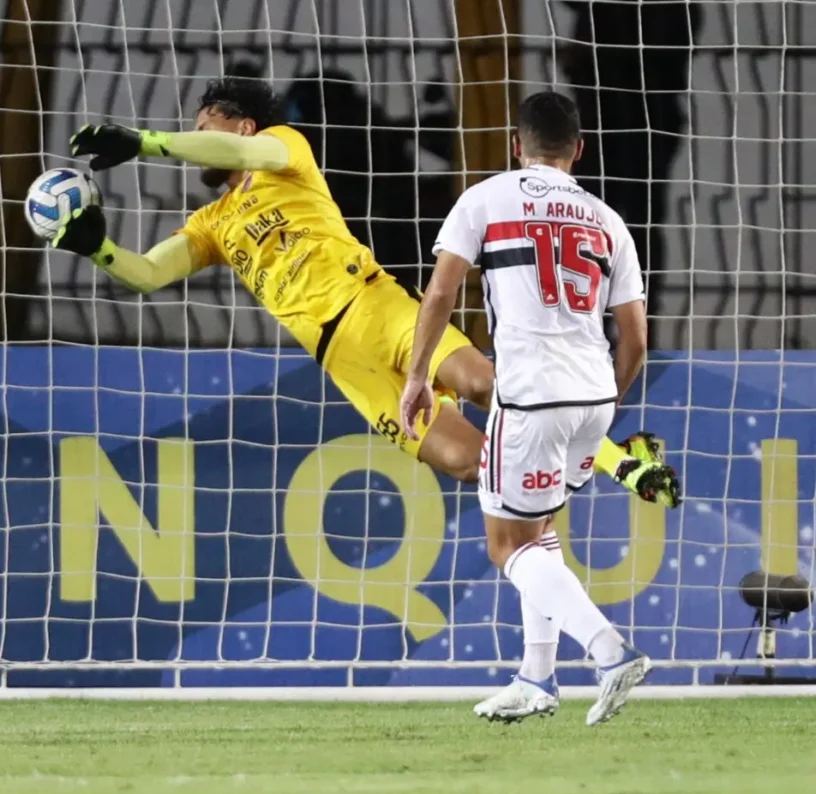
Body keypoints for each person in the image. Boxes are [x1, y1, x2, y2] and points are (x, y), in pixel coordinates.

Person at [52, 76, 678, 504]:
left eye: (205, 125)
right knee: (468, 463)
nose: (196, 135)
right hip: (341, 361)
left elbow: (233, 148)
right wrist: (95, 246)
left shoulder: (285, 151)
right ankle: (581, 474)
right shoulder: (211, 225)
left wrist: (145, 142)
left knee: (487, 383)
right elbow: (148, 274)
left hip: (374, 305)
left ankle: (623, 461)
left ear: (241, 126)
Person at [402, 91, 653, 726]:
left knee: (505, 546)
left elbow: (440, 291)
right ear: (579, 149)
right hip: (592, 395)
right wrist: (605, 403)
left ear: (517, 145)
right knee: (539, 535)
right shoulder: (607, 219)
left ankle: (609, 651)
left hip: (531, 394)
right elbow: (637, 337)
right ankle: (536, 680)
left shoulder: (486, 198)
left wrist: (417, 376)